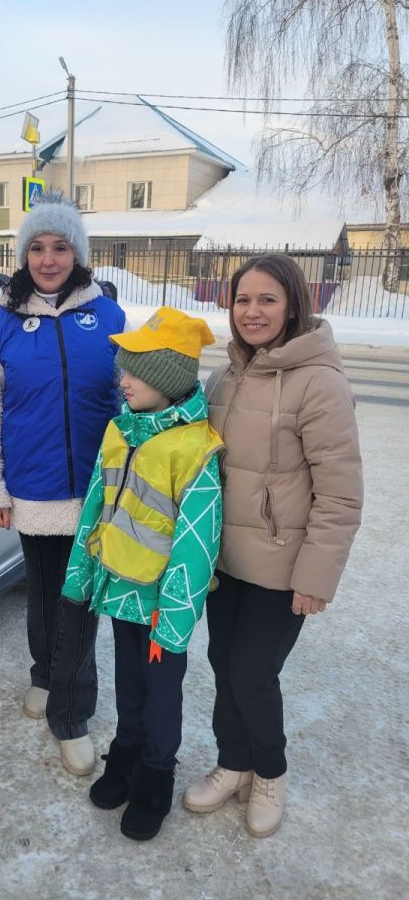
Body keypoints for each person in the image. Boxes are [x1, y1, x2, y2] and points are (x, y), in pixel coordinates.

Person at [183, 253, 363, 838]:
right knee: (220, 662)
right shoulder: (228, 374)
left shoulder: (319, 381)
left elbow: (340, 494)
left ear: (292, 305)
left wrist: (316, 577)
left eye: (266, 299)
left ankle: (270, 773)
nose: (252, 311)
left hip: (282, 564)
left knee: (253, 673)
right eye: (242, 299)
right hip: (222, 558)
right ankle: (233, 762)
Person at [0, 190, 125, 776]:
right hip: (31, 492)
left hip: (93, 491)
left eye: (61, 247)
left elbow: (128, 397)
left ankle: (72, 712)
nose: (49, 258)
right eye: (37, 247)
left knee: (79, 606)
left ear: (78, 254)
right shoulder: (2, 323)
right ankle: (43, 673)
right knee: (40, 599)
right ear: (24, 255)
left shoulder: (107, 317)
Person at [62, 307, 221, 841]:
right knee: (128, 683)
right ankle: (126, 751)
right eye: (123, 369)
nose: (122, 380)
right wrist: (80, 579)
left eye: (136, 371)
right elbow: (95, 510)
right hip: (119, 593)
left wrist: (172, 621)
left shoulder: (195, 449)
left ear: (168, 380)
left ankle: (156, 769)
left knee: (161, 692)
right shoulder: (119, 430)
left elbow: (196, 543)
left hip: (160, 606)